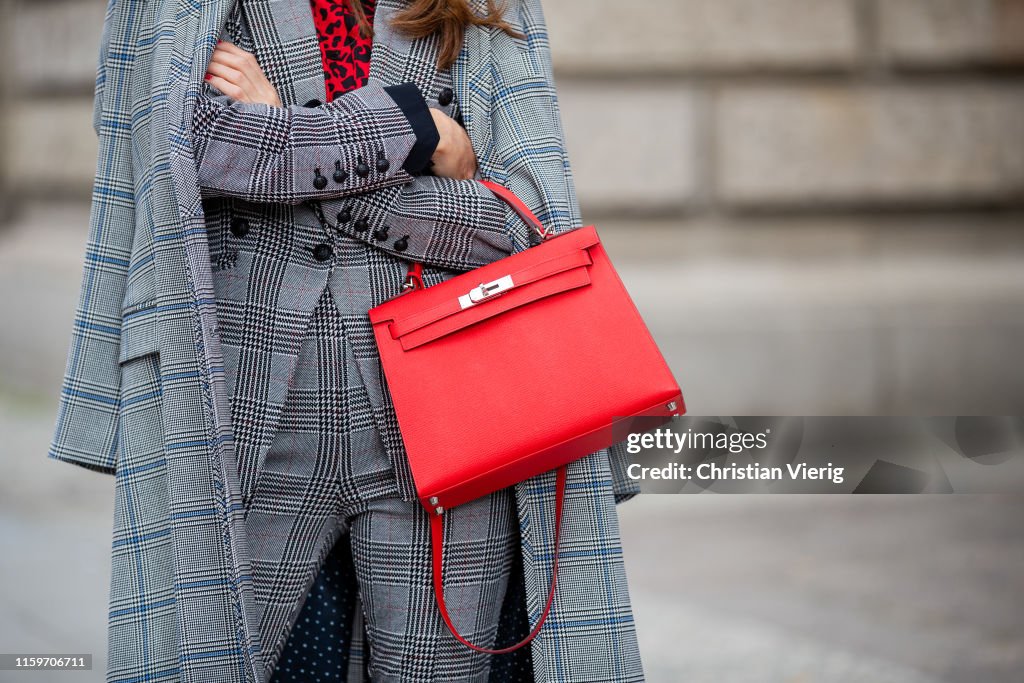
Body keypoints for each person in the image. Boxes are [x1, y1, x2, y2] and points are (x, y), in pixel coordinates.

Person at [48, 0, 644, 681]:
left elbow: (521, 222)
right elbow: (193, 149)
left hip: (452, 414)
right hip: (242, 404)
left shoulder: (485, 6)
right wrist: (420, 133)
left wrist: (286, 138)